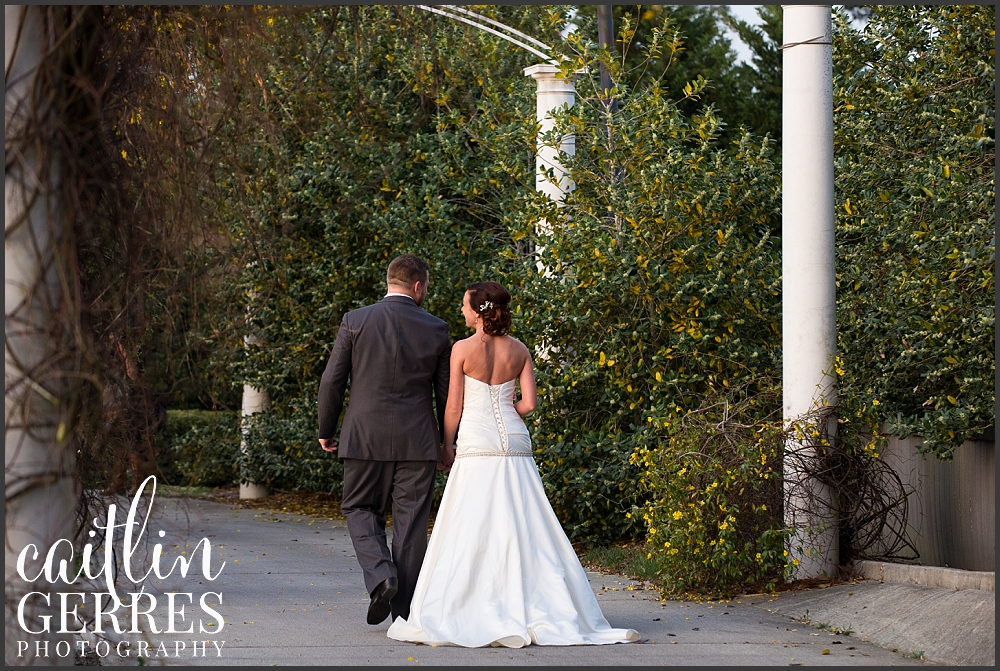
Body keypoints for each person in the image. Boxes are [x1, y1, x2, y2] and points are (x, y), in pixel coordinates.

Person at [387, 281, 640, 647]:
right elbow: (530, 404)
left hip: (476, 441)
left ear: (477, 312)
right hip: (514, 441)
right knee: (525, 519)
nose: (461, 310)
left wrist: (446, 445)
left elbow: (453, 407)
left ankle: (473, 603)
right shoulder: (519, 349)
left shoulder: (461, 349)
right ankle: (538, 601)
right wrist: (506, 411)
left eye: (464, 305)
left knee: (473, 520)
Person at [317, 255, 452, 625]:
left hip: (364, 437)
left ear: (389, 280)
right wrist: (446, 443)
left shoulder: (355, 321)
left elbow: (332, 380)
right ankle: (404, 615)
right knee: (411, 525)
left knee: (359, 508)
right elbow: (446, 394)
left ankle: (381, 576)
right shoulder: (438, 328)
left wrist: (325, 429)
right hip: (418, 442)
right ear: (419, 286)